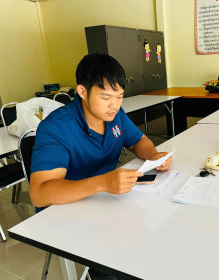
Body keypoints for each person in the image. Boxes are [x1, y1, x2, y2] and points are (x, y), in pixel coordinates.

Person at [30, 53, 172, 279]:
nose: (114, 105)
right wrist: (103, 182)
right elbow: (40, 194)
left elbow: (138, 141)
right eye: (106, 97)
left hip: (107, 200)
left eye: (120, 96)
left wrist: (155, 155)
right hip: (66, 212)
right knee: (122, 261)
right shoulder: (57, 128)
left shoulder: (115, 116)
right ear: (83, 92)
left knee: (159, 233)